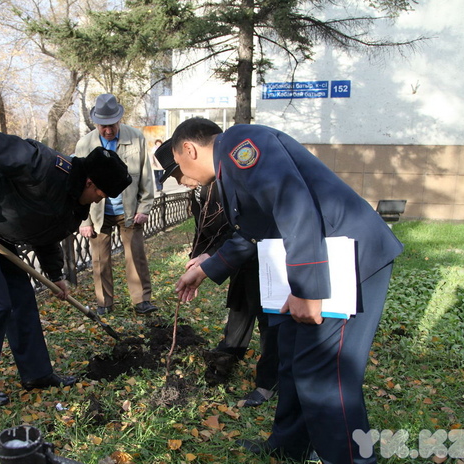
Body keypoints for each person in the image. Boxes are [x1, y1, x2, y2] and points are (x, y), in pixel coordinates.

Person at [171, 118, 404, 464]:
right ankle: (289, 446)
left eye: (178, 165)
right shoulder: (231, 172)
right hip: (328, 258)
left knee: (325, 375)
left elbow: (292, 205)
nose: (181, 175)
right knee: (293, 359)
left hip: (346, 261)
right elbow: (257, 230)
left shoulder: (240, 143)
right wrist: (208, 267)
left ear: (189, 150)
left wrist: (308, 289)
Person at [0, 129, 132, 406]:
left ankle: (37, 375)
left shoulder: (75, 205)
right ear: (89, 182)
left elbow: (46, 234)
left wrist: (56, 276)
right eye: (101, 192)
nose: (101, 199)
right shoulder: (42, 164)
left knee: (23, 302)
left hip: (2, 238)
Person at [154, 140, 279, 403]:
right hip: (237, 255)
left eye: (178, 174)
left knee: (268, 313)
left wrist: (210, 262)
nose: (180, 182)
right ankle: (229, 352)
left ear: (189, 157)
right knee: (241, 302)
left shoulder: (228, 181)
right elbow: (207, 231)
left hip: (264, 254)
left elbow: (243, 229)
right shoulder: (203, 190)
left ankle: (270, 380)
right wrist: (202, 256)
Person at [76, 94, 158, 316]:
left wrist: (144, 208)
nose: (108, 131)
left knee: (136, 256)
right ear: (96, 123)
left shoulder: (136, 138)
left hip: (129, 210)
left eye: (111, 125)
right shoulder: (85, 144)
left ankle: (141, 301)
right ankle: (104, 303)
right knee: (99, 260)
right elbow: (76, 184)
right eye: (103, 126)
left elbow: (146, 176)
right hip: (97, 211)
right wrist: (84, 220)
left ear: (119, 120)